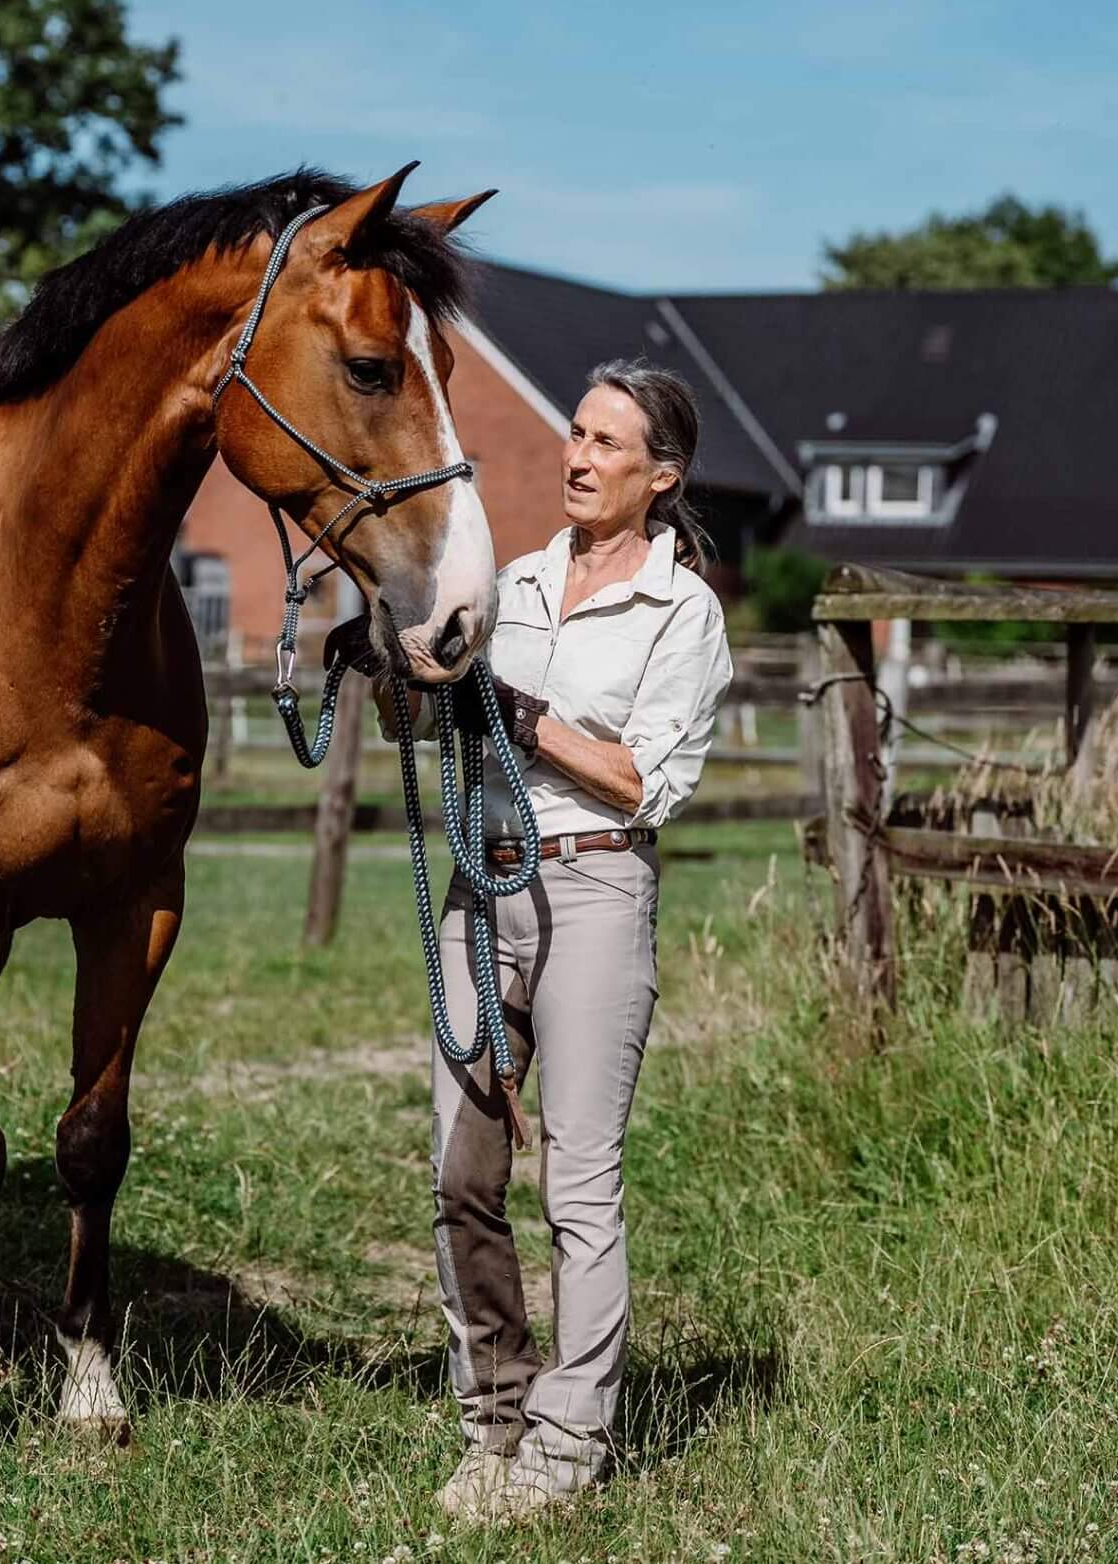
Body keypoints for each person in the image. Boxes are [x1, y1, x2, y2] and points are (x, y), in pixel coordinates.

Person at [334, 357, 734, 1523]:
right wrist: (390, 664)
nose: (577, 456)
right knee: (461, 1173)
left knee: (580, 1184)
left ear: (661, 476)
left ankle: (569, 1438)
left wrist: (523, 716)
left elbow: (643, 780)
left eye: (609, 443)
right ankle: (492, 1416)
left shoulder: (683, 610)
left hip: (597, 893)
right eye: (575, 432)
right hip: (482, 879)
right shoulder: (513, 579)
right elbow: (436, 707)